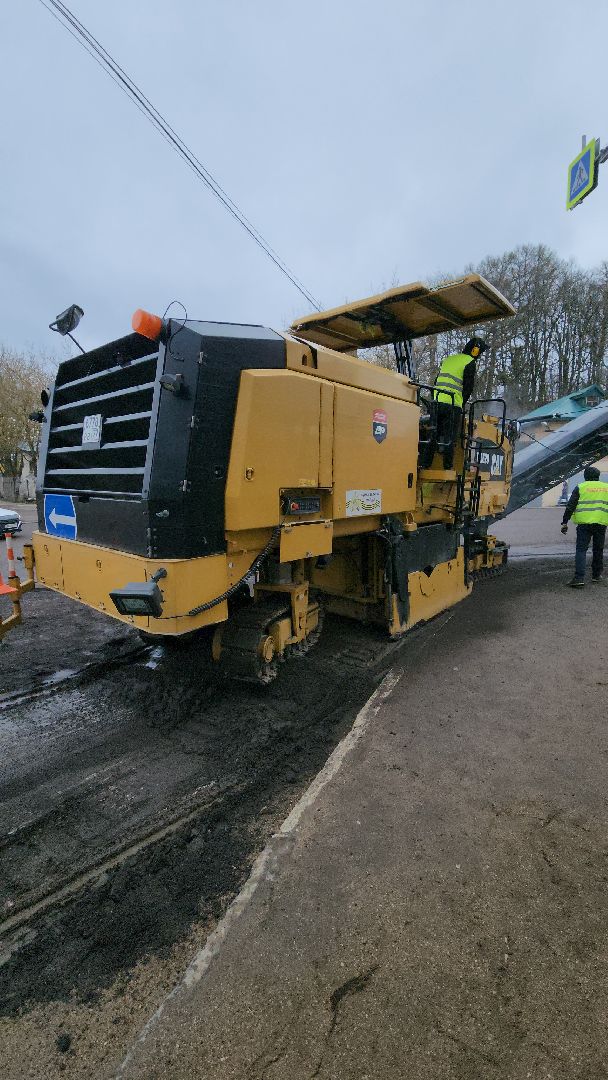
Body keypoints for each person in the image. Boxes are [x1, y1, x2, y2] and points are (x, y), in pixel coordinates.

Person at [432, 337, 487, 468]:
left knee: (433, 433)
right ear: (475, 351)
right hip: (452, 404)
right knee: (450, 437)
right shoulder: (469, 362)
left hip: (437, 402)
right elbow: (468, 388)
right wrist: (461, 405)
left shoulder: (448, 360)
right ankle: (447, 466)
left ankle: (426, 462)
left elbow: (436, 382)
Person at [560, 465, 608, 586]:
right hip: (601, 523)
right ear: (598, 477)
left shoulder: (581, 487)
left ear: (585, 477)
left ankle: (579, 578)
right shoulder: (606, 488)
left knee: (581, 550)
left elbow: (570, 506)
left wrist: (564, 522)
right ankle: (596, 575)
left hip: (584, 525)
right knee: (598, 550)